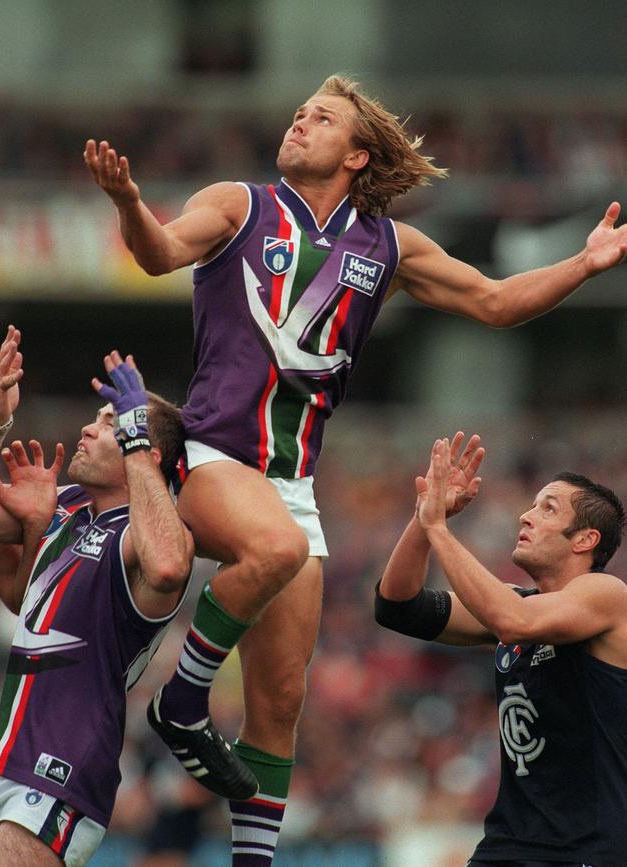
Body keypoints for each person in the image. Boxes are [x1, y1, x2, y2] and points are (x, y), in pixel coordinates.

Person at [83, 74, 627, 863]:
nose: (300, 122)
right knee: (274, 551)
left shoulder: (391, 245)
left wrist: (584, 264)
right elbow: (161, 251)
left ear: (358, 152)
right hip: (214, 457)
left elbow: (498, 301)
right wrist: (130, 201)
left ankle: (251, 858)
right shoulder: (240, 204)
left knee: (281, 702)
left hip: (291, 484)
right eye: (299, 113)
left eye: (322, 117)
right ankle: (182, 695)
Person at [0, 329, 195, 867]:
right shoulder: (68, 507)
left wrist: (140, 442)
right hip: (3, 760)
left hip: (60, 771)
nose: (86, 429)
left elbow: (168, 569)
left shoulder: (153, 535)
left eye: (106, 423)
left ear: (143, 445)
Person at [376, 434, 627, 867]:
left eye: (547, 508)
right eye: (531, 504)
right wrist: (424, 518)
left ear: (585, 540)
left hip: (586, 851)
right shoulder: (519, 602)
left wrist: (440, 530)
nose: (526, 516)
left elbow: (514, 623)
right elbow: (397, 606)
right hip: (507, 846)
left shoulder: (606, 595)